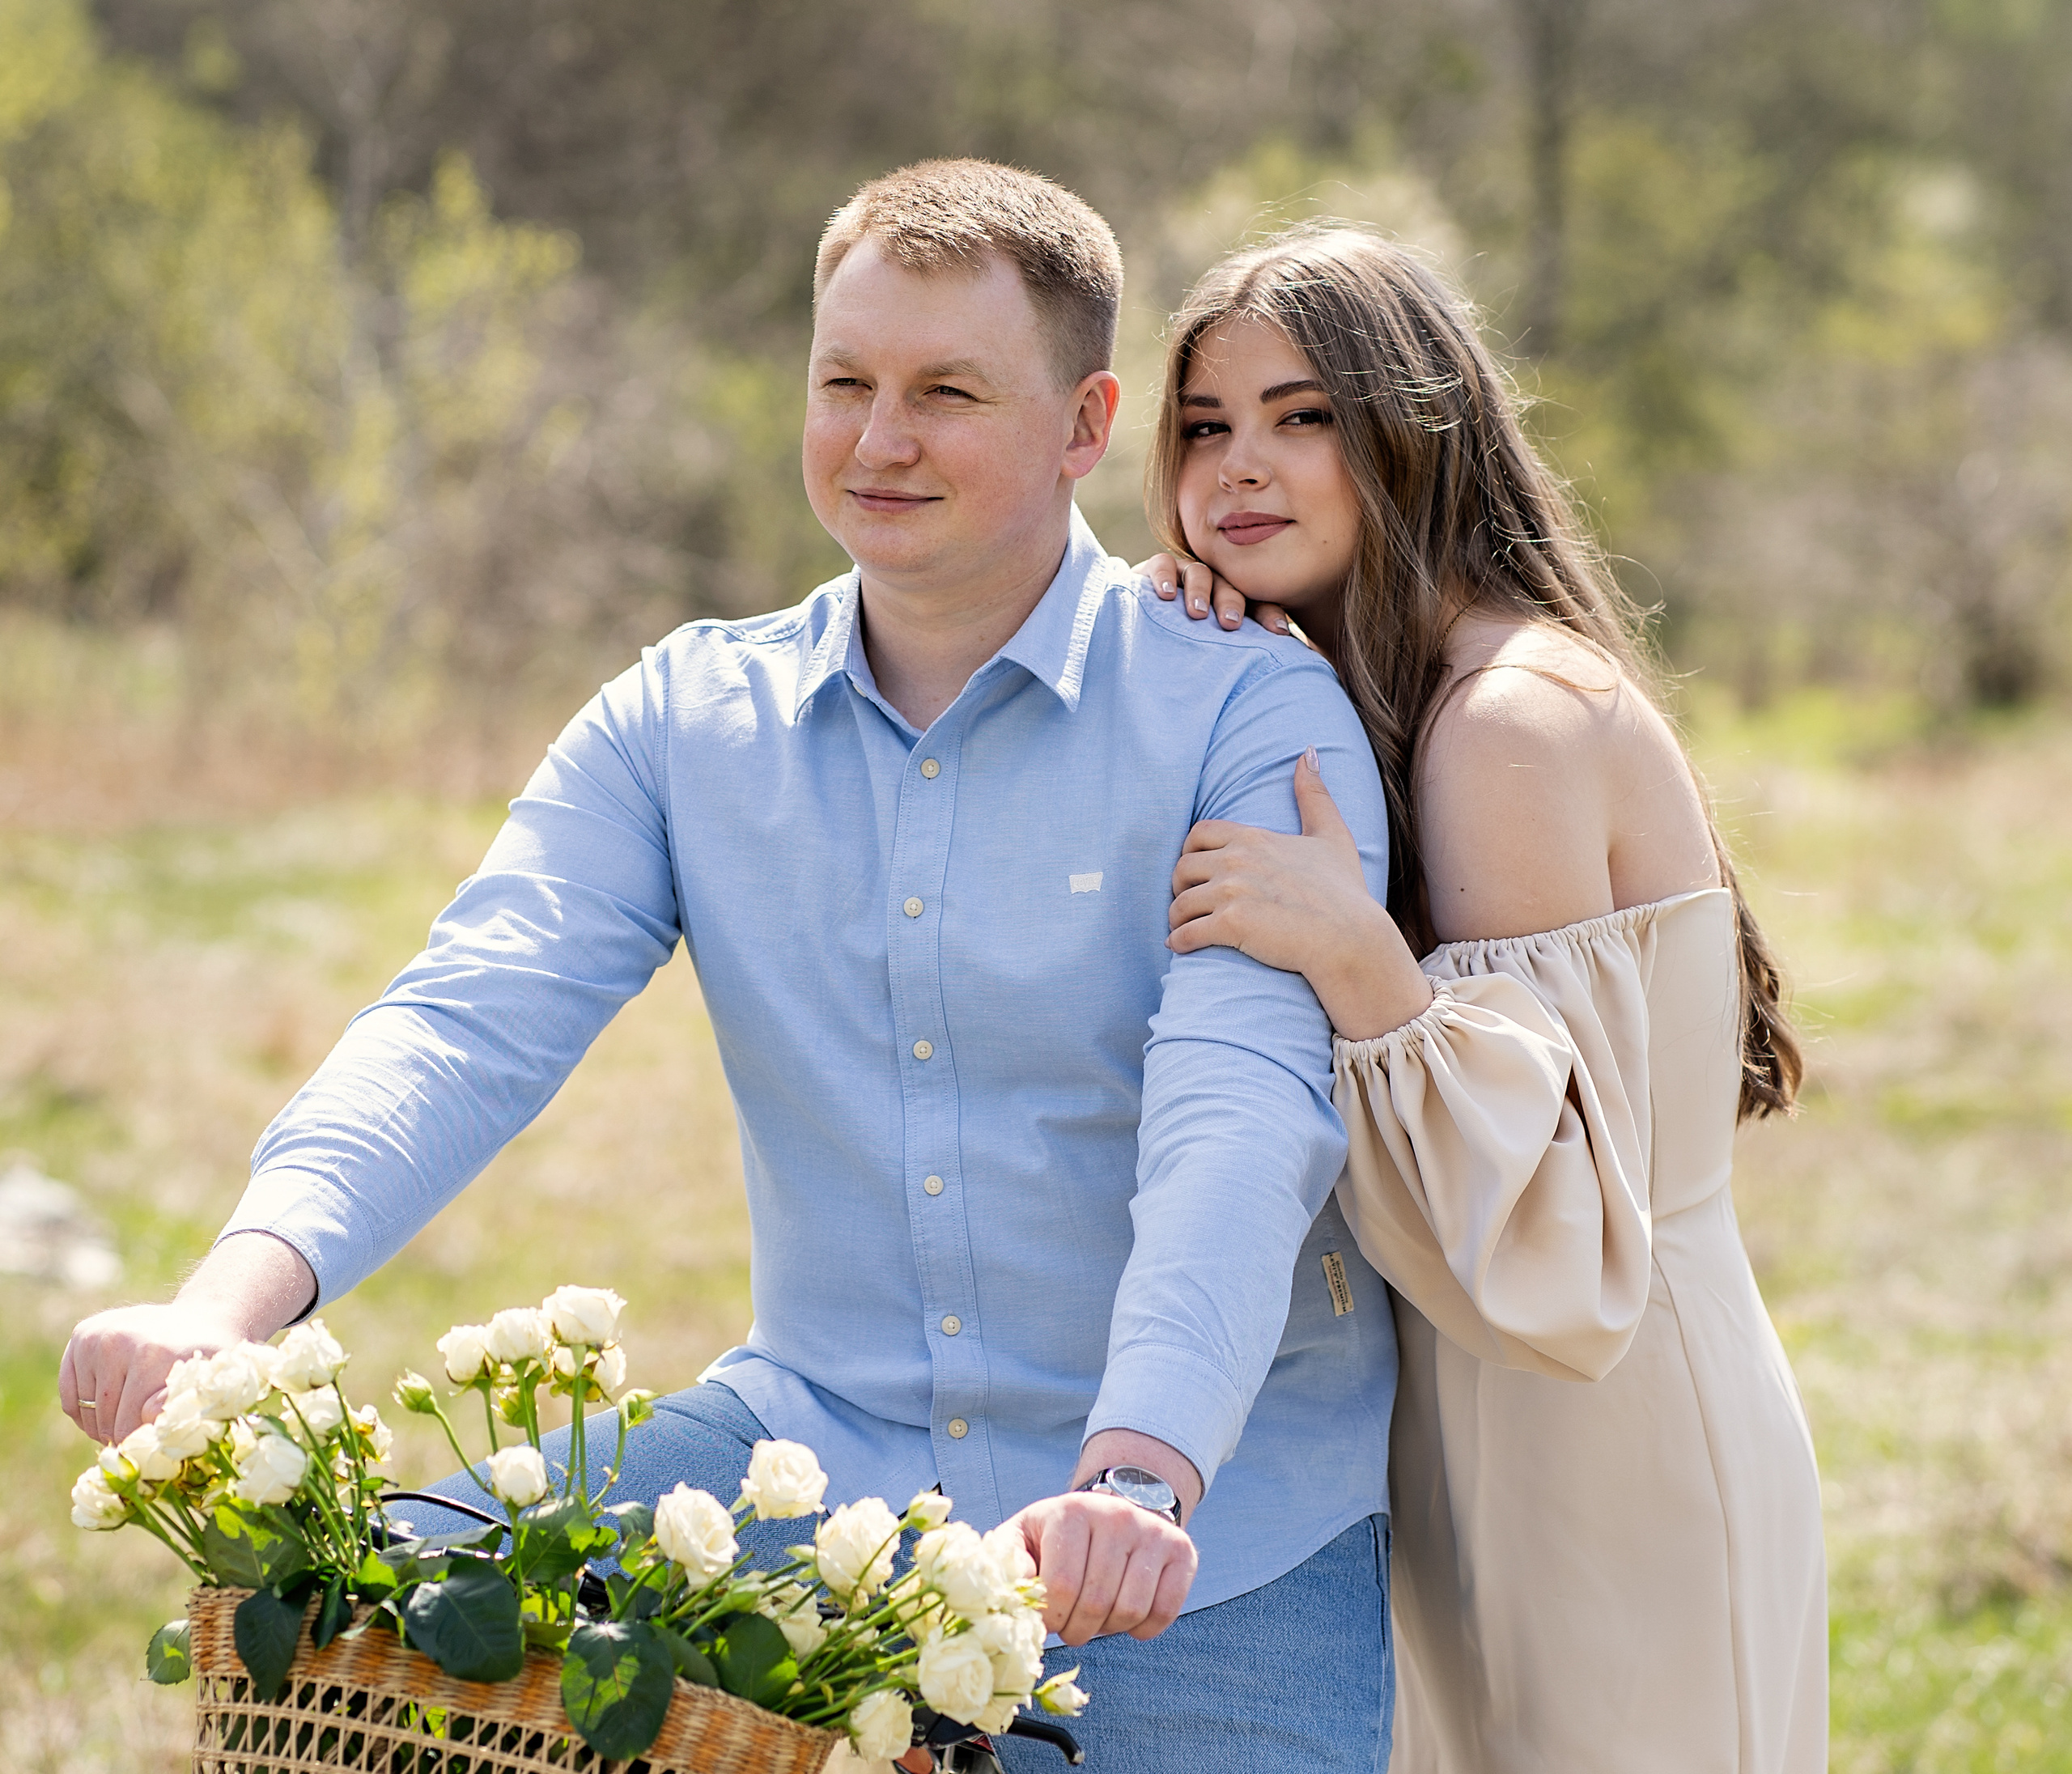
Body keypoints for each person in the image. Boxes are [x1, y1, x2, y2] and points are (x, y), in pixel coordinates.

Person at [58, 163, 1403, 1772]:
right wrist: (227, 1307)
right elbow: (470, 1013)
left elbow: (1237, 1121)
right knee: (358, 1630)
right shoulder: (682, 717)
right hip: (807, 1470)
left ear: (1081, 423)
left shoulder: (1242, 709)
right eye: (843, 382)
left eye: (943, 392)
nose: (876, 439)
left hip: (1199, 1538)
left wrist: (1139, 1474)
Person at [1139, 224, 1826, 1772]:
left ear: (1414, 426)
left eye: (1303, 417)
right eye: (1204, 428)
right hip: (1477, 1390)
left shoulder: (1504, 723)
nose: (1241, 467)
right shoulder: (1399, 685)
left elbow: (1558, 1219)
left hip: (1597, 1413)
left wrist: (1361, 961)